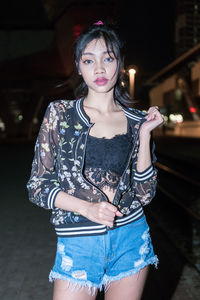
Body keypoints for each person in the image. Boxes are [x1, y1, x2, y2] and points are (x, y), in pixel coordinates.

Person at [27, 20, 163, 300]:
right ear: (78, 66)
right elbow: (37, 187)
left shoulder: (138, 121)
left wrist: (146, 135)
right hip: (79, 243)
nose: (99, 69)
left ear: (120, 63)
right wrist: (86, 208)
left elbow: (145, 193)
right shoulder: (61, 115)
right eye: (89, 60)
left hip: (130, 239)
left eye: (107, 58)